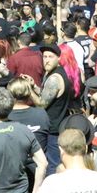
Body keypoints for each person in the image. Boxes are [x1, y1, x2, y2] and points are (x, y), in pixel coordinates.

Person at [29, 44, 72, 175]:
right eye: (44, 57)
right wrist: (34, 86)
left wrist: (28, 90)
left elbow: (42, 104)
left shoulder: (54, 78)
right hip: (56, 127)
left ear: (58, 58)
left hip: (53, 130)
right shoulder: (53, 73)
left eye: (50, 57)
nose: (46, 60)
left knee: (52, 165)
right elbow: (47, 95)